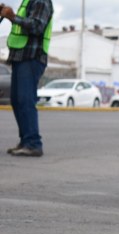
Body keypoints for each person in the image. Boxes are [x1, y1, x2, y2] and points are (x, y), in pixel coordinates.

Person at [1, 0, 53, 157]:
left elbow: (37, 26)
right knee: (17, 100)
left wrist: (13, 17)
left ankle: (33, 143)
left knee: (25, 100)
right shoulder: (28, 1)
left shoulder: (41, 1)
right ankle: (25, 141)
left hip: (31, 58)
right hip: (20, 57)